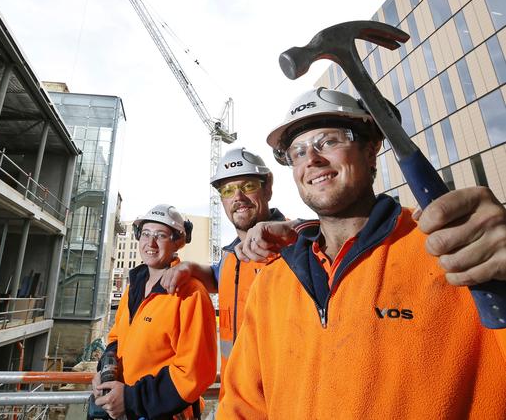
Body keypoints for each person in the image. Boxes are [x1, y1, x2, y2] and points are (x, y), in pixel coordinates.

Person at [218, 87, 506, 418]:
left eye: (328, 142)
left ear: (370, 151)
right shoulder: (273, 282)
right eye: (297, 152)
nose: (311, 159)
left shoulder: (452, 248)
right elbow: (242, 406)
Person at [160, 147, 313, 398]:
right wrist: (189, 267)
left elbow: (337, 234)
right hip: (235, 400)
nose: (238, 197)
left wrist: (292, 229)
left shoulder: (296, 244)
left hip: (287, 402)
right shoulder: (231, 258)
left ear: (268, 186)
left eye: (248, 185)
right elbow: (219, 278)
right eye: (228, 190)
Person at [93, 204, 217, 420]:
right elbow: (116, 339)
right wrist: (104, 370)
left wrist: (132, 399)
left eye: (161, 236)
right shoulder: (134, 287)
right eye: (146, 234)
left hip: (163, 413)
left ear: (178, 242)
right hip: (126, 408)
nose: (150, 243)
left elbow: (194, 373)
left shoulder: (190, 294)